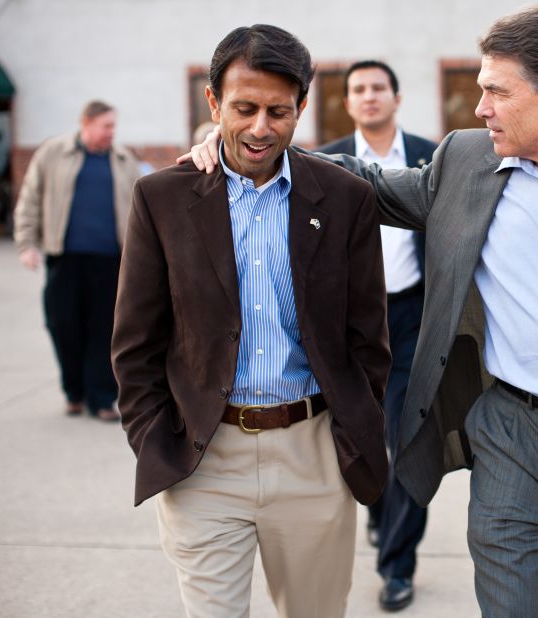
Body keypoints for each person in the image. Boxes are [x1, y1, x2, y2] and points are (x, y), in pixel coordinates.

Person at [188, 5, 538, 616]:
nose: (479, 108)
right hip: (512, 443)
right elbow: (363, 184)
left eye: (495, 92)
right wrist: (252, 146)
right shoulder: (465, 161)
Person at [113, 25, 390, 618]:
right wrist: (153, 438)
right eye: (243, 108)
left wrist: (350, 435)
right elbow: (135, 344)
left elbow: (369, 339)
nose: (260, 128)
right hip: (203, 460)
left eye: (278, 112)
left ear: (302, 110)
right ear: (213, 103)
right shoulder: (161, 199)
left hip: (313, 456)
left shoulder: (345, 200)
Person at [319, 59, 437, 612]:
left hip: (414, 318)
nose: (369, 97)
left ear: (396, 97)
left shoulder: (432, 155)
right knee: (360, 441)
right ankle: (377, 510)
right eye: (358, 90)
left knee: (408, 445)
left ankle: (397, 568)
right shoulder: (325, 161)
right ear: (348, 103)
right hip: (351, 322)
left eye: (378, 88)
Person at [14, 100, 142, 421]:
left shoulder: (124, 160)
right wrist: (26, 244)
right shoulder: (53, 154)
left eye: (114, 126)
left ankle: (101, 398)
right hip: (65, 258)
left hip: (111, 262)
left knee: (106, 330)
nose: (112, 133)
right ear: (87, 123)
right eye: (106, 126)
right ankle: (74, 390)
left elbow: (142, 213)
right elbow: (30, 198)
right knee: (62, 325)